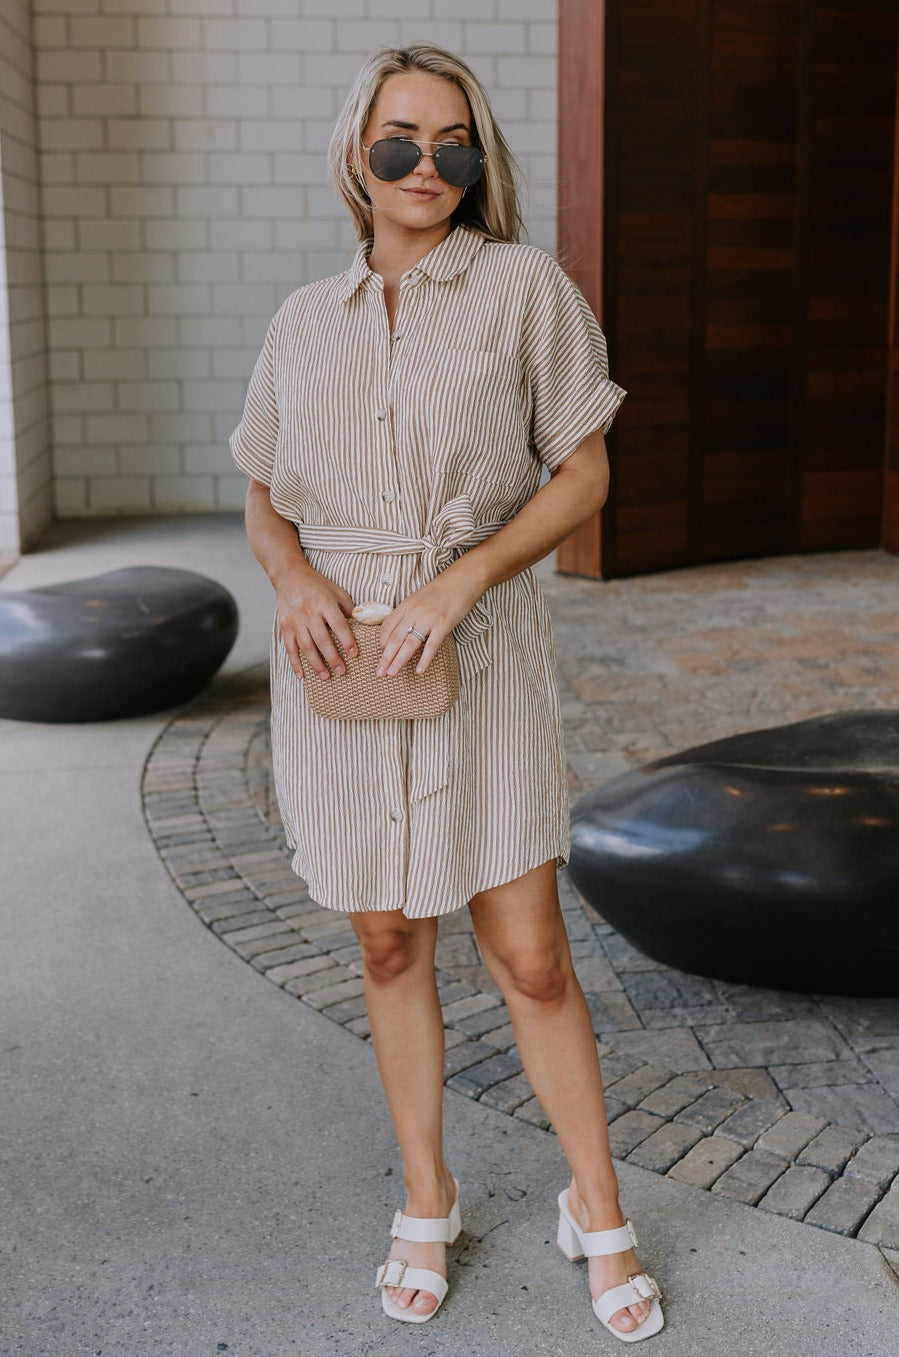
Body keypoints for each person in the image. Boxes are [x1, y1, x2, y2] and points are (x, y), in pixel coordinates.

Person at [230, 42, 664, 1342]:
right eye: (400, 139)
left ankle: (598, 1204)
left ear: (481, 162)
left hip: (481, 651)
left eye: (454, 142)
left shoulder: (526, 288)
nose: (428, 165)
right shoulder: (304, 320)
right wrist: (296, 579)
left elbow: (583, 475)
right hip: (340, 666)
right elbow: (263, 490)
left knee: (530, 953)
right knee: (386, 939)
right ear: (356, 154)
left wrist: (459, 581)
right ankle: (428, 1196)